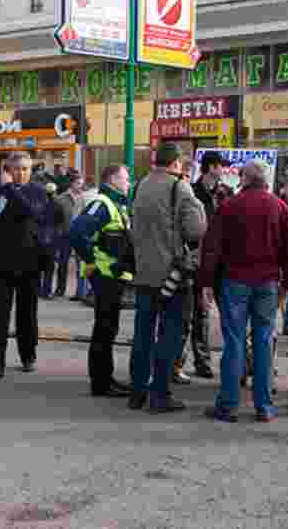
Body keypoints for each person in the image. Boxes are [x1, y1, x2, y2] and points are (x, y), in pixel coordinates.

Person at [200, 159, 288, 423]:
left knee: (234, 342)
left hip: (234, 281)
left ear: (244, 179)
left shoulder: (229, 206)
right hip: (268, 283)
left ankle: (228, 404)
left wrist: (206, 283)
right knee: (264, 342)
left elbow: (211, 247)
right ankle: (264, 406)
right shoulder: (279, 207)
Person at [128, 143, 206, 412]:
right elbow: (195, 231)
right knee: (170, 334)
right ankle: (160, 394)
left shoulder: (139, 186)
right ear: (175, 163)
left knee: (143, 334)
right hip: (171, 275)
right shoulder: (179, 187)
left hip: (143, 273)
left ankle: (137, 391)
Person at [0, 151, 49, 378]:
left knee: (26, 313)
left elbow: (35, 214)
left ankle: (28, 354)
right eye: (16, 169)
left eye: (25, 169)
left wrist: (13, 191)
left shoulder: (38, 192)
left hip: (29, 262)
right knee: (0, 313)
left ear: (31, 170)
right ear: (9, 170)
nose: (21, 173)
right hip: (1, 263)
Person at [70, 164, 134, 397]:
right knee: (104, 330)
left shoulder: (117, 204)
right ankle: (101, 382)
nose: (128, 183)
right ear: (113, 180)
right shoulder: (103, 204)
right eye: (125, 178)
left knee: (108, 330)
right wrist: (90, 261)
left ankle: (105, 379)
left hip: (113, 276)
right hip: (105, 276)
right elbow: (77, 232)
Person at [175, 150, 223, 382]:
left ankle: (202, 362)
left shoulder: (223, 194)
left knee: (203, 315)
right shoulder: (191, 193)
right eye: (221, 165)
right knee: (186, 314)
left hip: (212, 263)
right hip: (192, 260)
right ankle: (177, 363)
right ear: (211, 167)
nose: (224, 169)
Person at [53, 172, 85, 298]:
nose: (80, 186)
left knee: (80, 264)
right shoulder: (61, 198)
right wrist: (58, 231)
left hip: (79, 235)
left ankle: (79, 292)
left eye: (81, 184)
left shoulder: (84, 198)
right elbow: (56, 218)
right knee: (62, 263)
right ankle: (60, 290)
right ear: (71, 184)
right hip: (65, 234)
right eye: (78, 184)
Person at [38, 183, 62, 299]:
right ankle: (46, 291)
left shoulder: (40, 204)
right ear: (55, 192)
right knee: (49, 266)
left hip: (40, 237)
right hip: (52, 237)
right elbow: (61, 221)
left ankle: (37, 290)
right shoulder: (58, 205)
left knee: (38, 266)